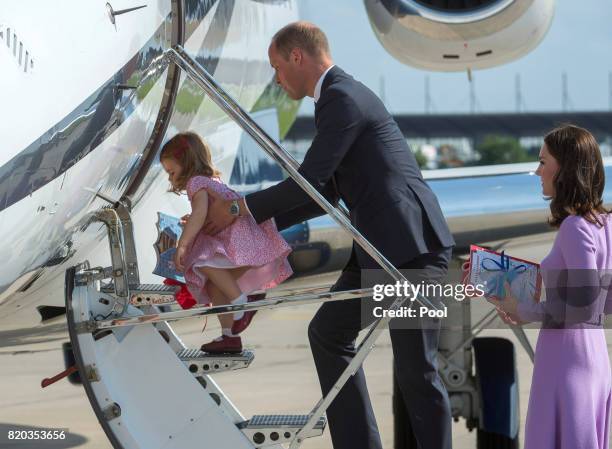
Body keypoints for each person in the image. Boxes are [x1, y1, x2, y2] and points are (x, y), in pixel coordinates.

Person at [199, 22, 455, 449]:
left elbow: (312, 181)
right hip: (378, 255)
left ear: (297, 57)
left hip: (411, 252)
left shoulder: (342, 98)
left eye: (277, 67)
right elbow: (327, 193)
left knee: (417, 371)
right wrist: (249, 223)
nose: (277, 80)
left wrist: (237, 208)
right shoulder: (333, 102)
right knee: (328, 333)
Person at [488, 125, 612, 449]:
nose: (537, 171)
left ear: (565, 168)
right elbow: (603, 301)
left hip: (566, 361)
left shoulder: (574, 227)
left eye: (544, 162)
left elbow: (584, 305)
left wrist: (524, 309)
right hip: (594, 357)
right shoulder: (604, 225)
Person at [160, 132, 293, 354]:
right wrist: (192, 218)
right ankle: (229, 336)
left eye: (171, 172)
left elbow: (201, 213)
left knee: (200, 262)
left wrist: (182, 245)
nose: (170, 178)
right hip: (240, 236)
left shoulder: (195, 183)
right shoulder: (212, 180)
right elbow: (203, 213)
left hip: (231, 239)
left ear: (187, 163)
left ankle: (241, 301)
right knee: (213, 286)